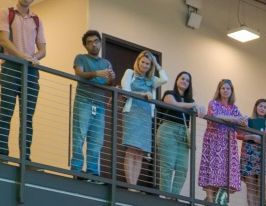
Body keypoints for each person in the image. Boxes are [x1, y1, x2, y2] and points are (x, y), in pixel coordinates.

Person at [0, 0, 46, 160]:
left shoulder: (37, 19)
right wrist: (21, 56)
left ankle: (25, 157)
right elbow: (3, 40)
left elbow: (43, 50)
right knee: (6, 113)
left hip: (30, 71)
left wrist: (33, 58)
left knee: (27, 117)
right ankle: (3, 155)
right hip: (11, 67)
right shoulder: (6, 12)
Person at [68, 29, 115, 176]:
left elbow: (107, 85)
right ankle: (76, 170)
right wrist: (96, 73)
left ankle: (93, 172)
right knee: (80, 135)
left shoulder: (106, 62)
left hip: (99, 105)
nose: (93, 45)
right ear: (85, 46)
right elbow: (79, 74)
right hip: (84, 101)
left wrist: (111, 79)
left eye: (96, 41)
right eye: (89, 43)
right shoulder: (81, 58)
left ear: (100, 43)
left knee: (96, 140)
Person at [119, 50, 167, 187]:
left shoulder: (152, 80)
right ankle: (130, 185)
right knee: (131, 149)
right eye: (143, 62)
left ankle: (134, 185)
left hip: (146, 116)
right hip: (132, 112)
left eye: (148, 63)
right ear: (138, 61)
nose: (145, 65)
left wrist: (157, 65)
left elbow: (165, 79)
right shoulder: (130, 73)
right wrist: (142, 93)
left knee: (140, 152)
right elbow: (125, 91)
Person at [199, 79, 245, 204]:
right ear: (219, 90)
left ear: (231, 91)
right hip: (214, 141)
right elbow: (216, 116)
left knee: (226, 171)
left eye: (228, 88)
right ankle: (209, 199)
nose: (225, 90)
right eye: (223, 88)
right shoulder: (213, 103)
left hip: (228, 144)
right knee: (211, 168)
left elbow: (243, 122)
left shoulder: (234, 108)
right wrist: (235, 119)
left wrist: (243, 120)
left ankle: (220, 201)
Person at [155, 72, 197, 194]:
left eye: (187, 80)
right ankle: (166, 198)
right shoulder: (169, 94)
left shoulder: (190, 100)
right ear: (177, 80)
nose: (184, 81)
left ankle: (174, 197)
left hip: (183, 133)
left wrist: (196, 106)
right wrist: (194, 105)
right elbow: (173, 104)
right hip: (168, 130)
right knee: (168, 166)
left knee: (182, 169)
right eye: (182, 78)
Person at [238, 98, 266, 206]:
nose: (262, 108)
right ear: (256, 107)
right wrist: (253, 136)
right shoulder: (248, 120)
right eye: (260, 106)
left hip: (263, 153)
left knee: (263, 184)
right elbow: (238, 134)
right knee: (251, 186)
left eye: (265, 107)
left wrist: (252, 133)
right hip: (248, 153)